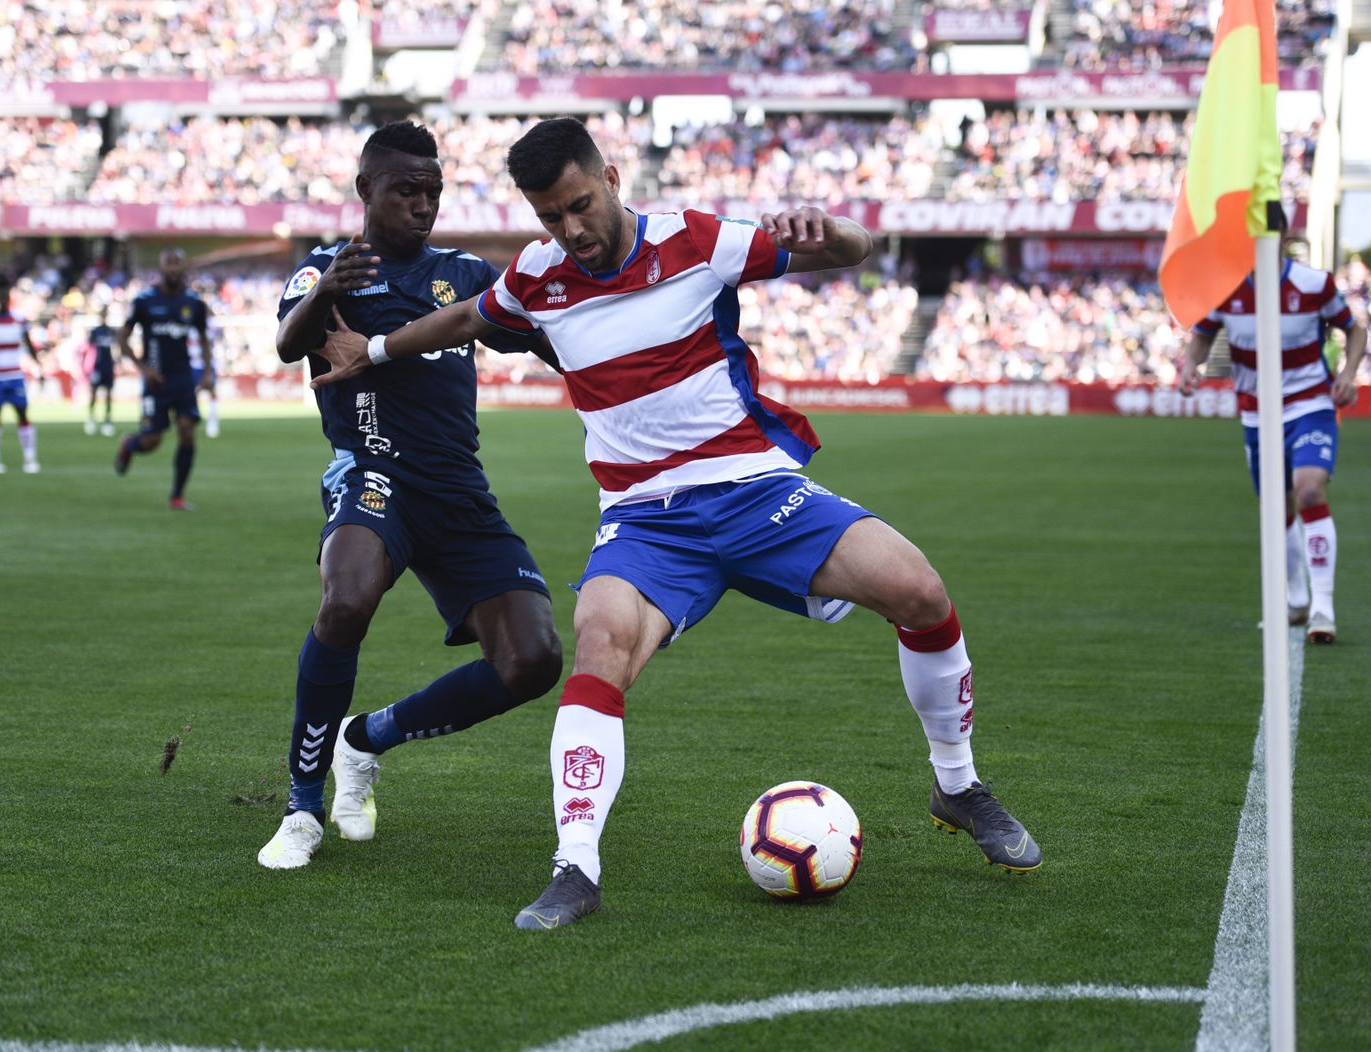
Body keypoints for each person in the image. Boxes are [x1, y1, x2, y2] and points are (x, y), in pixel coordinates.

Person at [311, 117, 1042, 929]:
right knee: (598, 642)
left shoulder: (697, 239)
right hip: (646, 522)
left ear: (614, 178)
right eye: (551, 217)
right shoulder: (540, 275)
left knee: (921, 591)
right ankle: (575, 868)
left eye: (582, 206)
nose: (572, 230)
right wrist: (372, 352)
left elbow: (854, 250)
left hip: (756, 492)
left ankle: (958, 783)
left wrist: (827, 229)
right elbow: (469, 319)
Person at [256, 120, 563, 871]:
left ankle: (367, 742)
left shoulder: (462, 273)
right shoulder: (328, 270)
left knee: (534, 660)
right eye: (405, 191)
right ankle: (301, 806)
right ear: (367, 191)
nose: (421, 206)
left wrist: (608, 368)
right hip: (374, 473)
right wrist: (322, 294)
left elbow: (541, 337)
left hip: (459, 491)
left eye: (433, 192)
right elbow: (289, 343)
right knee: (347, 599)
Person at [1179, 247, 1366, 644]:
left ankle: (1323, 609)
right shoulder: (1226, 289)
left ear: (1279, 237)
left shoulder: (1313, 284)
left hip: (1311, 403)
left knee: (1310, 490)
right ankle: (1296, 600)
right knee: (1276, 508)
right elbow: (1202, 336)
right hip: (1257, 413)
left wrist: (1349, 374)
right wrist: (1189, 366)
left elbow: (1354, 328)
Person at [113, 249, 211, 510]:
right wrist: (143, 368)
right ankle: (128, 444)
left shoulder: (193, 302)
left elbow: (203, 339)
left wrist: (208, 371)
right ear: (160, 268)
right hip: (155, 381)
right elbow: (122, 337)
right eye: (168, 264)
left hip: (183, 379)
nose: (173, 269)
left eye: (177, 264)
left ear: (183, 267)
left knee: (187, 432)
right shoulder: (145, 300)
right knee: (151, 441)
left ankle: (177, 496)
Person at [0, 273, 45, 474]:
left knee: (23, 415)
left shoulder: (20, 319)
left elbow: (30, 345)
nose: (3, 298)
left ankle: (30, 458)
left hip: (15, 375)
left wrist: (39, 366)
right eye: (0, 294)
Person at [83, 314, 116, 436]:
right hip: (97, 367)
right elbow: (89, 349)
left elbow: (116, 349)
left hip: (109, 367)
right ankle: (91, 418)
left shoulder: (112, 332)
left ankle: (107, 419)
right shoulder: (95, 332)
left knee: (109, 394)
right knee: (93, 392)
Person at [190, 321, 220, 439]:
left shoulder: (210, 325)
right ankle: (192, 417)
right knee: (192, 393)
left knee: (211, 390)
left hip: (208, 364)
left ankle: (212, 419)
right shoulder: (189, 322)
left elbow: (212, 341)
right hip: (192, 364)